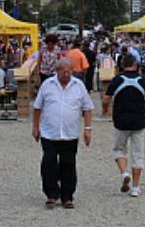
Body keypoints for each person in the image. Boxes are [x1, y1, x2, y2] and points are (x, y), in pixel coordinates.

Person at [32, 58, 94, 209]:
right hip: (49, 133)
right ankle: (51, 194)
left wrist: (87, 129)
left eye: (69, 71)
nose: (67, 74)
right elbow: (37, 107)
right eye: (64, 71)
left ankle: (67, 196)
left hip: (70, 133)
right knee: (49, 162)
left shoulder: (78, 86)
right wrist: (35, 127)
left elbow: (87, 108)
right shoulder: (47, 85)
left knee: (68, 164)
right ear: (57, 70)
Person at [102, 54, 145, 198]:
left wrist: (107, 110)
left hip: (121, 120)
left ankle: (124, 173)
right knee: (138, 154)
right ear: (136, 65)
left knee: (119, 149)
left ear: (121, 65)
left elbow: (106, 99)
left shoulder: (117, 80)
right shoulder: (143, 81)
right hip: (138, 121)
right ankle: (136, 187)